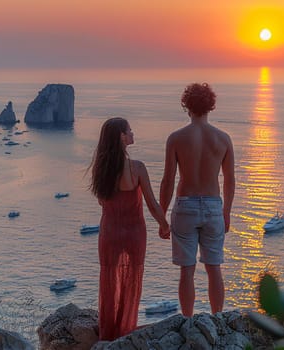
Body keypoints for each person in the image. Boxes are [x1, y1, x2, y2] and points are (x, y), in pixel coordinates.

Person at [89, 117, 170, 340]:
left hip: (109, 232)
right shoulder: (137, 168)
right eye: (129, 131)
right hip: (135, 232)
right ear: (122, 137)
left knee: (108, 279)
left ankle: (107, 334)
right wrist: (165, 226)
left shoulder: (101, 169)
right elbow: (152, 205)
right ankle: (125, 330)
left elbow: (102, 201)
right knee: (131, 279)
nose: (133, 133)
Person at [159, 83, 235, 317]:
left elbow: (168, 180)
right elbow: (230, 180)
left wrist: (162, 216)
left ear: (186, 106)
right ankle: (218, 318)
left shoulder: (176, 138)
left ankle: (189, 320)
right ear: (210, 106)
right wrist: (226, 211)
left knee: (187, 270)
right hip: (213, 206)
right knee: (214, 268)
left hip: (185, 206)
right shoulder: (223, 139)